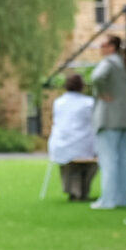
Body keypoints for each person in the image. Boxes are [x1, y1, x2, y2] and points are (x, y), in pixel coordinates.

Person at [89, 35, 126, 210]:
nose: (100, 48)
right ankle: (124, 198)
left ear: (112, 47)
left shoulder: (109, 63)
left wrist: (103, 92)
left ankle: (108, 200)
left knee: (108, 159)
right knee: (124, 159)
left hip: (109, 118)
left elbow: (96, 77)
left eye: (103, 45)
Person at [47, 72, 97, 201]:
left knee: (69, 163)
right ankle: (81, 191)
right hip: (82, 144)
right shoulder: (89, 103)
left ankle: (73, 190)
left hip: (60, 144)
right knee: (94, 160)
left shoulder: (58, 102)